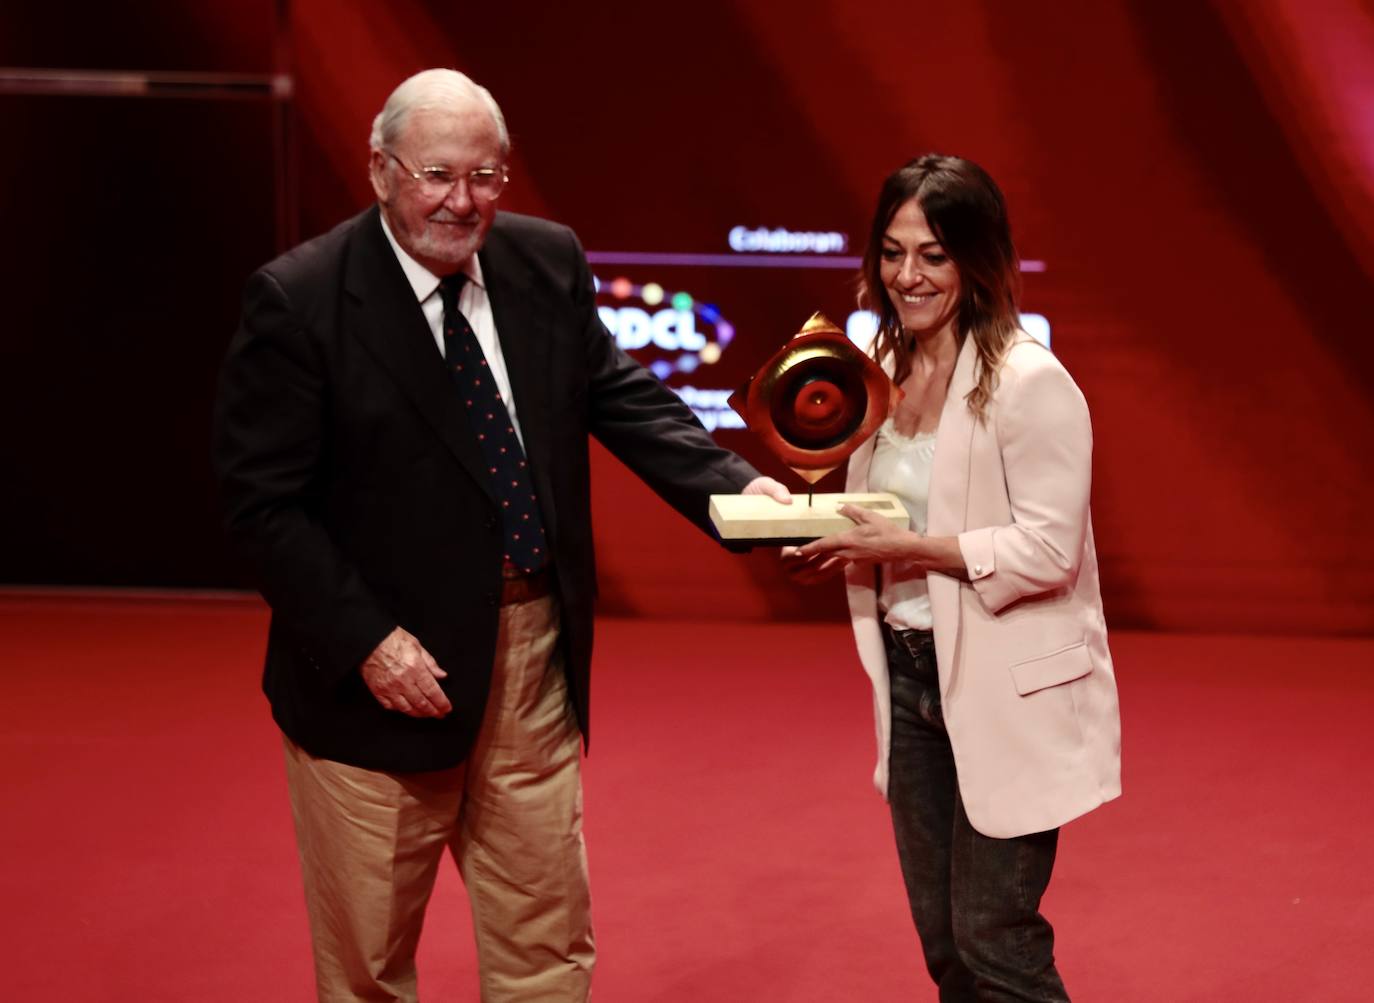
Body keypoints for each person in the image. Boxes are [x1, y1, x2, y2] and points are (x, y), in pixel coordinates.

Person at [212, 68, 789, 1002]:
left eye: (486, 176)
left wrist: (754, 499)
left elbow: (629, 402)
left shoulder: (544, 262)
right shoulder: (301, 300)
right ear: (381, 170)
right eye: (438, 174)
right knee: (368, 968)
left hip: (533, 659)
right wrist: (367, 641)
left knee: (547, 950)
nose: (462, 200)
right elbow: (262, 505)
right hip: (385, 681)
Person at [785, 154, 1121, 1001]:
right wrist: (822, 537)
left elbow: (1050, 551)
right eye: (893, 252)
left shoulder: (1029, 381)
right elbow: (882, 519)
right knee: (945, 946)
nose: (908, 275)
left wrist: (909, 548)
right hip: (907, 682)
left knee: (995, 939)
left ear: (978, 258)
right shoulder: (880, 374)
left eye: (933, 254)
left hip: (1006, 685)